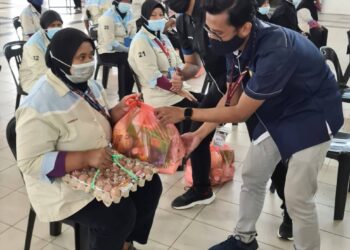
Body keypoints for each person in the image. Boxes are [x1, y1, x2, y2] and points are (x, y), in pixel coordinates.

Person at [154, 0, 344, 249]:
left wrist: (185, 114)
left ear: (244, 27)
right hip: (280, 108)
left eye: (217, 32)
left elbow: (241, 112)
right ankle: (244, 240)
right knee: (252, 174)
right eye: (208, 30)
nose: (210, 38)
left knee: (298, 198)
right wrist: (199, 135)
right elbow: (231, 94)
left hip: (313, 114)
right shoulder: (235, 44)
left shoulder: (276, 48)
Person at [16, 27, 162, 250]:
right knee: (119, 216)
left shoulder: (88, 85)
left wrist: (117, 111)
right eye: (81, 57)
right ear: (61, 59)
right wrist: (85, 158)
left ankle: (124, 244)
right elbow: (30, 162)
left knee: (151, 186)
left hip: (99, 163)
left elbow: (96, 119)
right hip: (62, 185)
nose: (89, 62)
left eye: (91, 55)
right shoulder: (39, 104)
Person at [164, 0, 227, 210]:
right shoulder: (182, 21)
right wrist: (181, 74)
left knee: (268, 147)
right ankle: (202, 189)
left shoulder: (214, 11)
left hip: (242, 79)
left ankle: (290, 212)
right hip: (219, 82)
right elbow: (193, 63)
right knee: (196, 133)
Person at [128, 0, 201, 133]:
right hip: (160, 96)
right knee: (199, 111)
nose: (158, 18)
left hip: (176, 89)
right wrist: (178, 89)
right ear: (144, 17)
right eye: (153, 15)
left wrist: (180, 78)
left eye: (161, 15)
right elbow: (154, 78)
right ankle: (189, 145)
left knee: (206, 102)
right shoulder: (141, 41)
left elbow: (179, 63)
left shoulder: (163, 37)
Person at [97, 0, 136, 99]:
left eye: (129, 1)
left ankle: (128, 91)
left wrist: (132, 46)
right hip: (107, 52)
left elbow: (132, 34)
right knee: (127, 59)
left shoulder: (130, 14)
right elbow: (110, 42)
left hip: (124, 50)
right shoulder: (107, 17)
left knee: (136, 58)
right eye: (125, 0)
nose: (127, 3)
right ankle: (123, 95)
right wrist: (127, 50)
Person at [19, 10, 63, 93]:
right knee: (60, 92)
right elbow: (40, 72)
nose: (56, 28)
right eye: (52, 25)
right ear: (44, 27)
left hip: (53, 74)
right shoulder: (34, 44)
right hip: (33, 78)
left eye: (59, 25)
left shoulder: (59, 37)